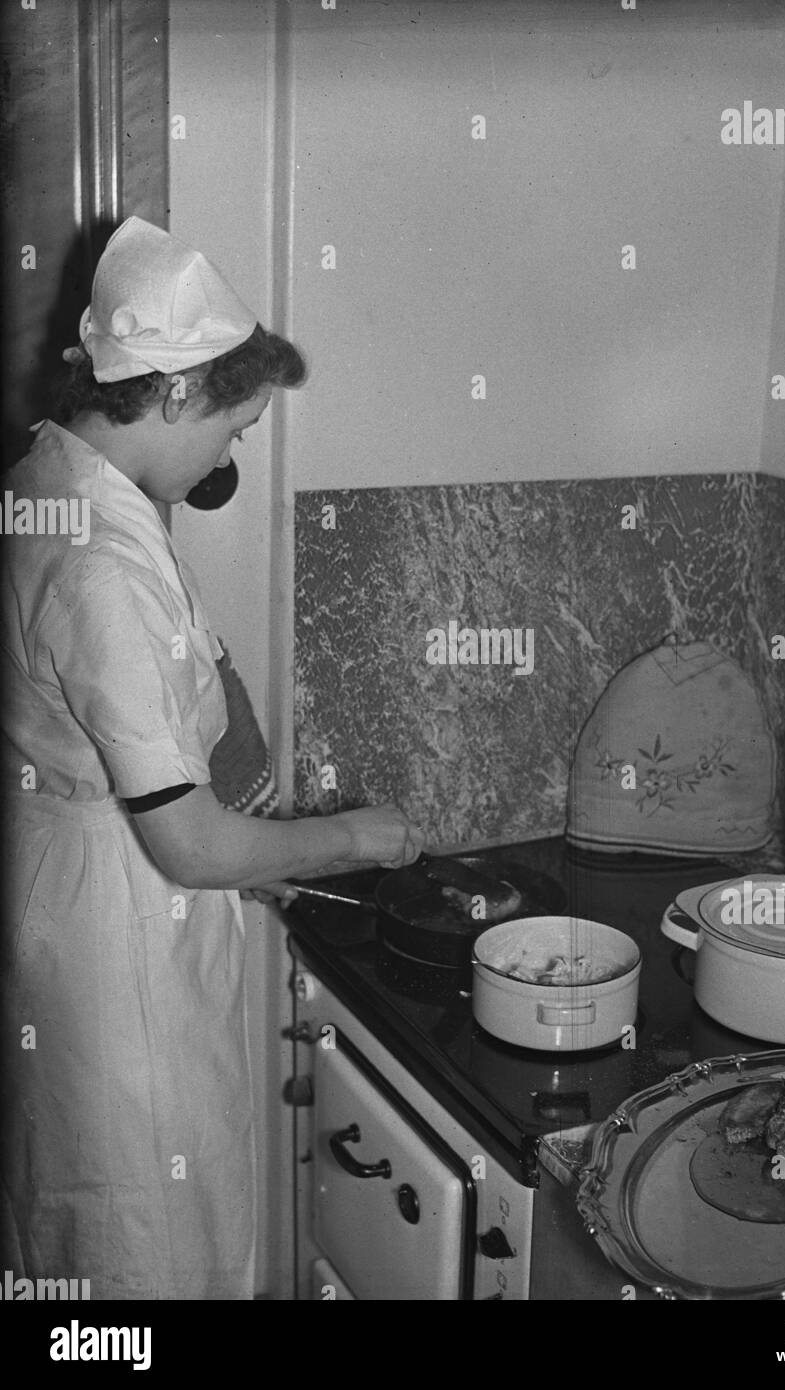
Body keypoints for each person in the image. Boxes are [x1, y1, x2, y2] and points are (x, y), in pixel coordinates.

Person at [0, 218, 425, 1300]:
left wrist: (271, 847)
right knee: (141, 1228)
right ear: (176, 393)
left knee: (97, 1213)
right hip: (120, 934)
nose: (231, 457)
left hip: (79, 887)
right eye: (234, 427)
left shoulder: (56, 477)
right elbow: (186, 843)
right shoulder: (100, 563)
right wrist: (349, 840)